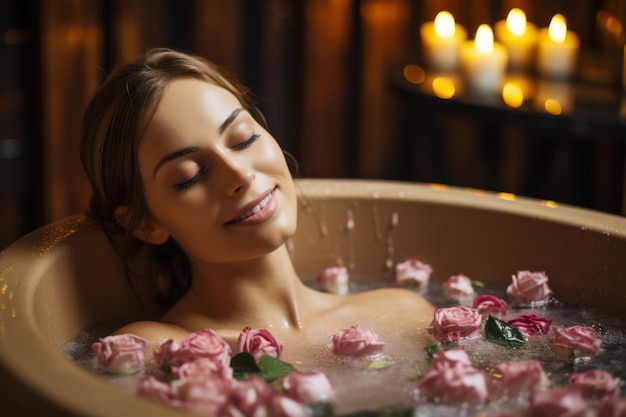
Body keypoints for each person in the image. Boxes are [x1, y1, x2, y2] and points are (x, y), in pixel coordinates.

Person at [80, 48, 433, 366]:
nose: (240, 174)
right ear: (144, 224)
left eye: (243, 138)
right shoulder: (155, 352)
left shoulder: (403, 313)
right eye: (190, 176)